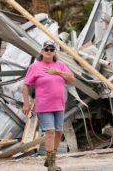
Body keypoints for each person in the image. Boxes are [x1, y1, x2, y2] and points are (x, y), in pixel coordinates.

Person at [22, 40, 75, 171]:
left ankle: (50, 159)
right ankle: (51, 164)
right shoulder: (35, 66)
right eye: (46, 49)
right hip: (44, 105)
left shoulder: (60, 65)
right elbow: (25, 85)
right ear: (42, 51)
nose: (49, 52)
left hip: (59, 105)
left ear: (54, 52)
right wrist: (26, 103)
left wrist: (57, 72)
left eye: (51, 50)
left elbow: (72, 78)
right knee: (50, 132)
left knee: (58, 132)